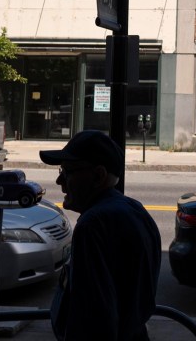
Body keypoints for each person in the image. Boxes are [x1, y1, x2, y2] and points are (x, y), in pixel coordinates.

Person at [40, 130, 161, 341]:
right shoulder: (136, 210)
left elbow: (94, 317)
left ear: (98, 176)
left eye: (67, 171)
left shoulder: (93, 225)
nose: (59, 180)